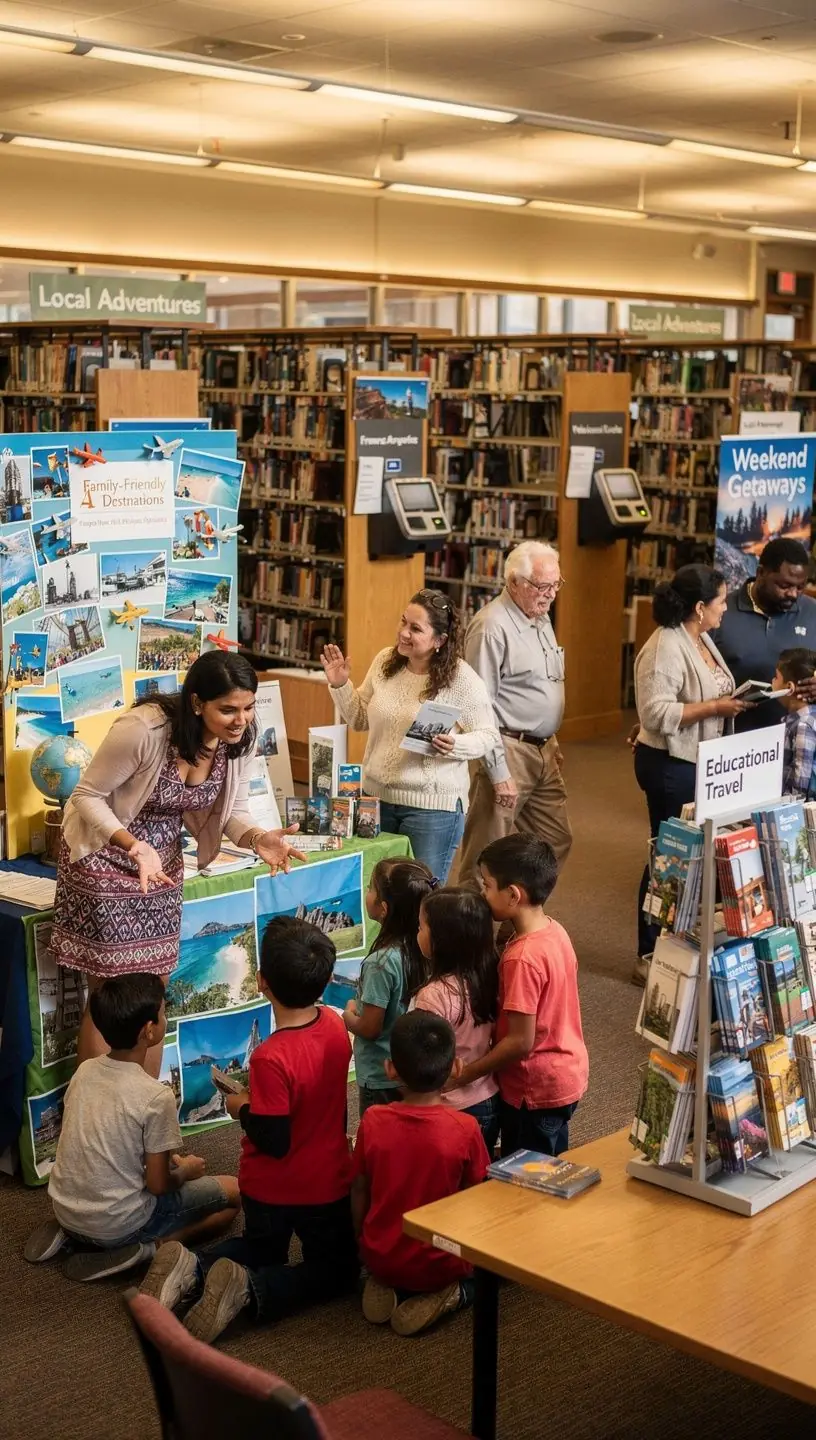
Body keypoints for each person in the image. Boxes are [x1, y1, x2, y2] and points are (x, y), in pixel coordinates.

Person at [51, 651, 306, 1076]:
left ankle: (144, 1115)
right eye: (228, 709)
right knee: (112, 999)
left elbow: (233, 812)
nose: (241, 719)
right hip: (104, 855)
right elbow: (85, 797)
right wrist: (133, 845)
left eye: (247, 707)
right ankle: (94, 1113)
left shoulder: (239, 738)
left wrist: (259, 838)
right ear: (196, 703)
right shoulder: (143, 730)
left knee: (153, 997)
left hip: (162, 864)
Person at [139, 917, 358, 1344]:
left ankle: (194, 1266)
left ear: (261, 983)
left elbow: (274, 1140)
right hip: (325, 1185)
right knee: (336, 1271)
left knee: (262, 1249)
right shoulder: (335, 1027)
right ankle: (253, 1291)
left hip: (269, 1188)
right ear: (327, 979)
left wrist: (240, 1107)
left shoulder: (270, 1056)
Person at [24, 974, 240, 1280]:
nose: (165, 1019)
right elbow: (158, 1185)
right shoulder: (156, 1096)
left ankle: (72, 1232)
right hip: (120, 1224)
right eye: (164, 1014)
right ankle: (149, 1248)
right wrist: (186, 1171)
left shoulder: (85, 1070)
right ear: (149, 1031)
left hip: (64, 1207)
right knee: (234, 1197)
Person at [320, 588, 500, 882]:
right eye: (403, 622)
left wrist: (455, 745)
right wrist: (340, 685)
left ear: (440, 640)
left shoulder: (461, 679)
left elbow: (489, 736)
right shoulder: (384, 662)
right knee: (376, 893)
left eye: (415, 628)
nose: (403, 633)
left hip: (430, 809)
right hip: (375, 798)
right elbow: (359, 719)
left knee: (419, 900)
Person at [632, 565, 746, 985]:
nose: (725, 610)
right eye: (721, 602)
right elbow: (656, 713)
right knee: (667, 855)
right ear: (700, 607)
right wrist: (717, 709)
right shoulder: (665, 645)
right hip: (669, 764)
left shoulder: (699, 639)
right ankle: (647, 951)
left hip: (699, 762)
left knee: (688, 854)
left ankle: (675, 943)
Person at [351, 1010, 489, 1336]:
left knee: (380, 1259)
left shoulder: (372, 1121)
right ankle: (454, 1294)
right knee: (502, 1270)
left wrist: (362, 1244)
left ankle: (380, 1280)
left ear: (390, 1069)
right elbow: (479, 1197)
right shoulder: (466, 1128)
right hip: (442, 1264)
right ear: (455, 1067)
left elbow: (359, 1189)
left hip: (380, 1256)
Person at [454, 835, 587, 1157]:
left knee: (528, 1178)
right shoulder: (554, 930)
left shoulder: (521, 958)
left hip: (534, 1088)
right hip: (564, 1073)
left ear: (513, 894)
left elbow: (520, 1041)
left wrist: (468, 1073)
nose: (483, 895)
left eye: (487, 886)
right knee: (551, 1162)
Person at [456, 541, 571, 884]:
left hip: (543, 749)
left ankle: (514, 921)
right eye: (542, 586)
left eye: (556, 584)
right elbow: (479, 707)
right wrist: (497, 770)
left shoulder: (539, 614)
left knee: (555, 841)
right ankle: (472, 936)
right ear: (514, 582)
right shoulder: (491, 627)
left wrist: (550, 739)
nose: (550, 594)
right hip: (507, 749)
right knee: (486, 856)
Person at [343, 857, 434, 1115]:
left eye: (371, 888)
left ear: (383, 908)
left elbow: (370, 1028)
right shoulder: (427, 948)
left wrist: (348, 1014)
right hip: (414, 1069)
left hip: (380, 1074)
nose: (367, 893)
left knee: (380, 1140)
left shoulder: (380, 963)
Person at [414, 886, 500, 1151]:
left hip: (451, 1103)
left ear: (442, 940)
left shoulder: (433, 995)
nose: (417, 933)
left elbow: (423, 1057)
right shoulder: (490, 975)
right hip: (487, 1095)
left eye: (421, 927)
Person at [714, 538, 816, 733]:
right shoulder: (721, 611)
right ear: (760, 573)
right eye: (785, 585)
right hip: (733, 744)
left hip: (799, 745)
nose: (793, 594)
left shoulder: (813, 612)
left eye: (800, 587)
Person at [772, 647, 816, 799]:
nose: (771, 681)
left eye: (776, 677)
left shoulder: (804, 726)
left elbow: (799, 785)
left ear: (789, 688)